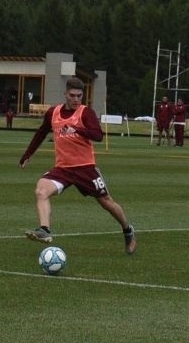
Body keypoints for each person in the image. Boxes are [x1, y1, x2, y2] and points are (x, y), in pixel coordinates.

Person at [19, 76, 137, 254]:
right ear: (65, 94)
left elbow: (98, 135)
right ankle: (44, 230)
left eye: (79, 96)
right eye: (72, 95)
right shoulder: (53, 112)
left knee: (107, 203)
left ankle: (128, 230)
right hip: (63, 169)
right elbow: (41, 133)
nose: (76, 99)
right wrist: (27, 155)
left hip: (85, 168)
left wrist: (77, 129)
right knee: (41, 190)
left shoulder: (85, 113)